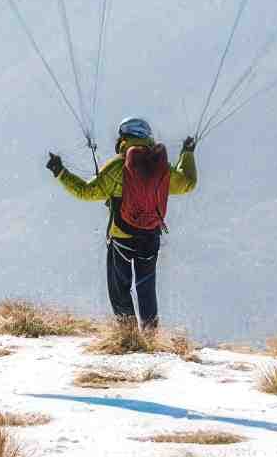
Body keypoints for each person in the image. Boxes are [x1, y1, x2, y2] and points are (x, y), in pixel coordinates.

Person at [46, 117, 197, 329]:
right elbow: (188, 183)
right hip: (150, 238)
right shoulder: (160, 167)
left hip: (123, 238)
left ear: (123, 138)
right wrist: (187, 153)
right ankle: (152, 337)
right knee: (146, 288)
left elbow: (86, 192)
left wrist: (60, 172)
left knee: (119, 289)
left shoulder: (119, 166)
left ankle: (129, 336)